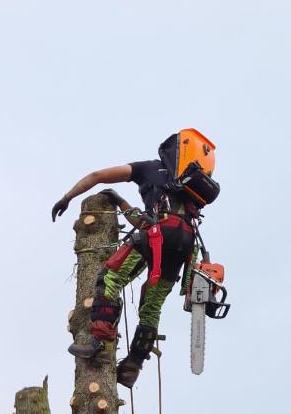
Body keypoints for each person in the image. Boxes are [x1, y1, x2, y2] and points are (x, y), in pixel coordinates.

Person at [51, 130, 220, 387]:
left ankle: (102, 344)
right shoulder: (187, 190)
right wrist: (121, 203)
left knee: (109, 278)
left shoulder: (150, 169)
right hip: (185, 245)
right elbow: (147, 220)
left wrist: (67, 197)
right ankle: (132, 367)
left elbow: (97, 176)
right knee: (151, 308)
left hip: (158, 235)